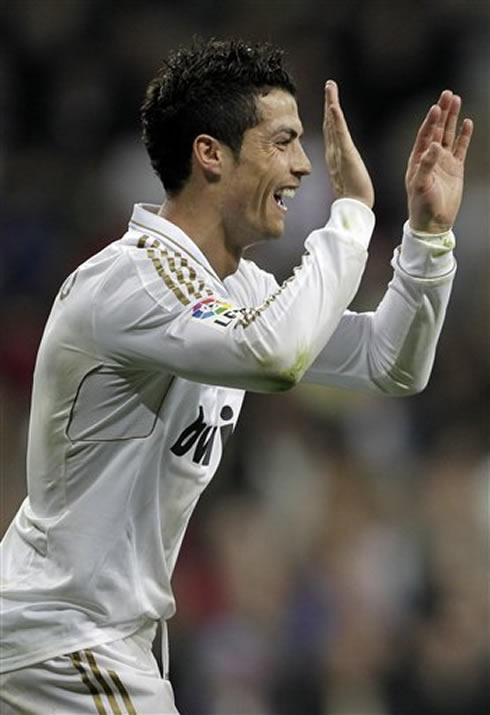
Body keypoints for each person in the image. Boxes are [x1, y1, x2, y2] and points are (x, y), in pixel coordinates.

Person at [0, 38, 473, 714]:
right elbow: (274, 356)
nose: (305, 166)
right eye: (282, 141)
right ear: (210, 154)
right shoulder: (134, 279)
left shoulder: (231, 290)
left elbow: (388, 362)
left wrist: (427, 241)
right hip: (64, 640)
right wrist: (353, 215)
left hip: (89, 641)